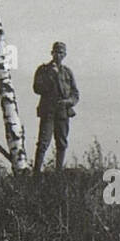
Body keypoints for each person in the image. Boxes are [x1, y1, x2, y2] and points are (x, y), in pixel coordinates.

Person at [32, 41, 79, 174]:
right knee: (43, 143)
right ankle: (36, 173)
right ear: (51, 53)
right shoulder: (43, 70)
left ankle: (58, 173)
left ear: (65, 55)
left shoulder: (67, 72)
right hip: (48, 111)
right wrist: (52, 77)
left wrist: (68, 101)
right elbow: (37, 88)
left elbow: (75, 93)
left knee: (62, 143)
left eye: (61, 53)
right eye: (56, 52)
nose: (58, 55)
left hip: (63, 111)